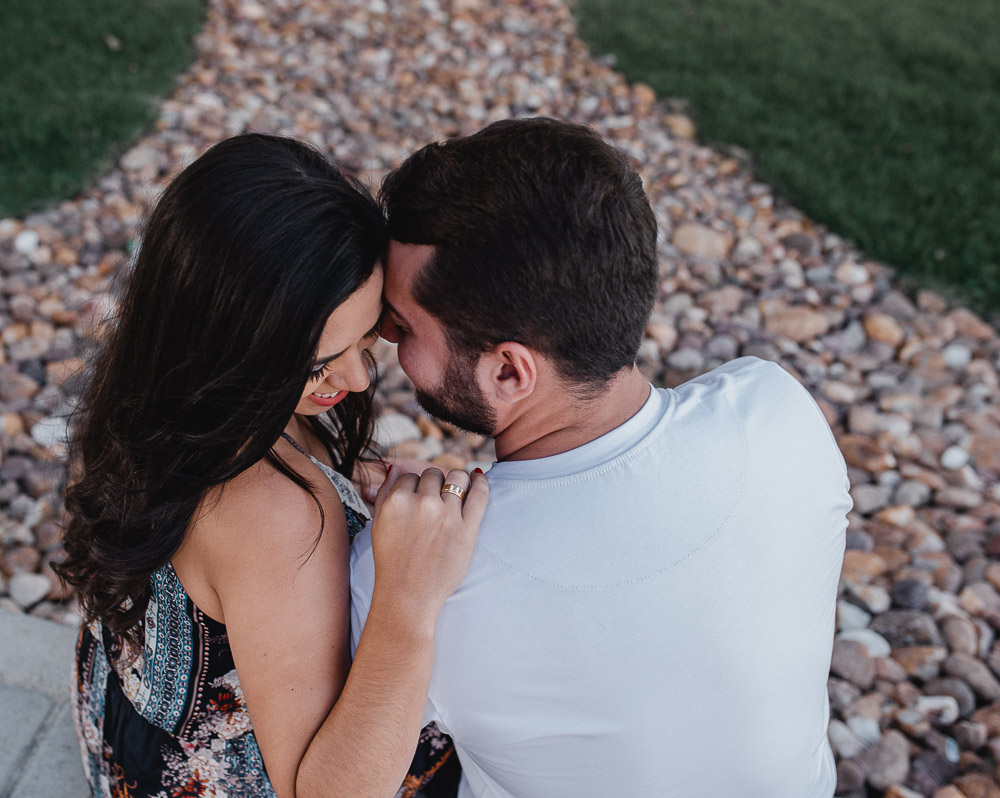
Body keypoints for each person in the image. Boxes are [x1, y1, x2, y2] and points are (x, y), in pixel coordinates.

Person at [349, 117, 852, 796]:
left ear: (509, 373)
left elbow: (343, 767)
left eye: (403, 324)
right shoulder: (775, 412)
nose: (382, 335)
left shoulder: (424, 581)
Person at [56, 133, 487, 798]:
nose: (359, 379)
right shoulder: (275, 515)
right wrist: (410, 596)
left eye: (367, 337)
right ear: (232, 345)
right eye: (317, 364)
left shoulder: (163, 388)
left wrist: (348, 488)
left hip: (133, 736)